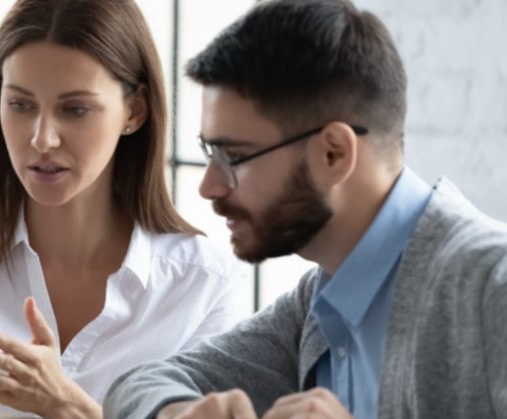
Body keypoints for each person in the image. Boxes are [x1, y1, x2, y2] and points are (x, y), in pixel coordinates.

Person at [0, 0, 251, 417]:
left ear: (134, 111)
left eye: (74, 109)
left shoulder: (203, 288)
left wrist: (67, 406)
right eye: (21, 105)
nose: (42, 139)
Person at [103, 0, 507, 418]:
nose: (209, 186)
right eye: (209, 152)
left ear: (333, 153)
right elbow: (135, 386)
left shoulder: (493, 284)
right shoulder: (318, 301)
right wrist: (180, 413)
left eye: (233, 156)